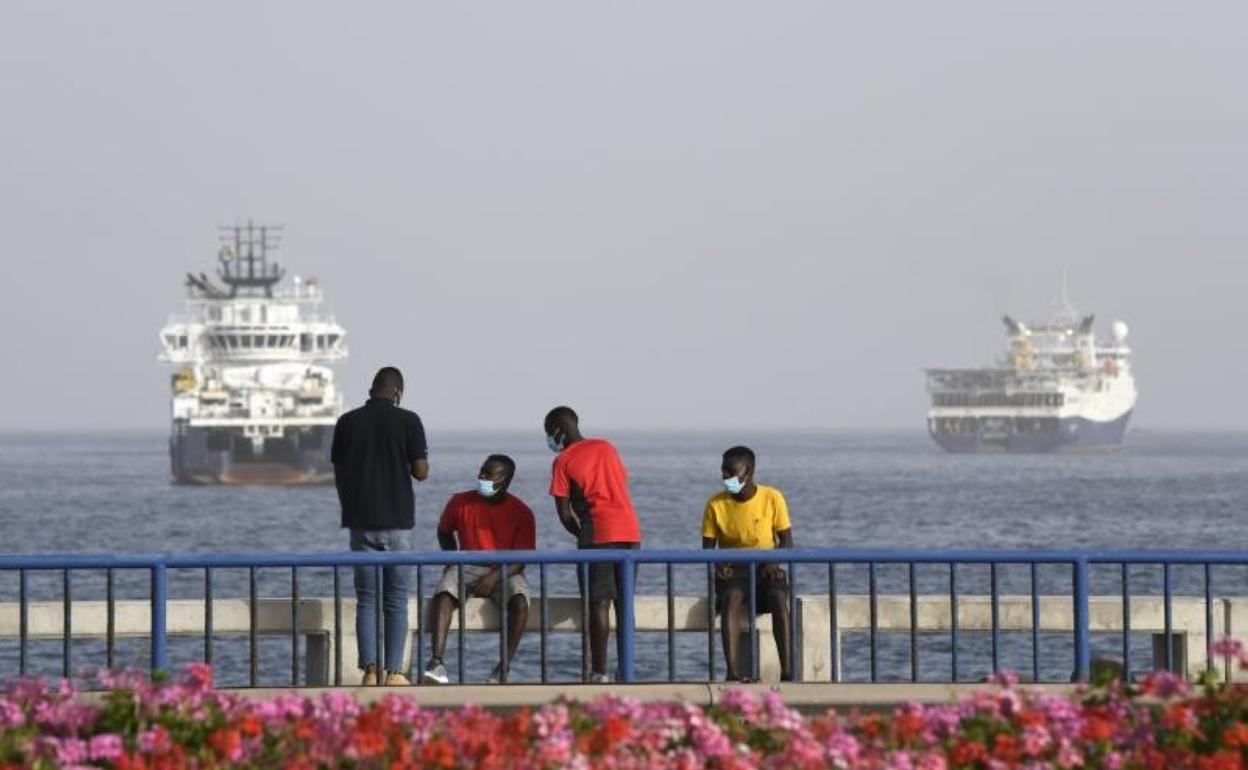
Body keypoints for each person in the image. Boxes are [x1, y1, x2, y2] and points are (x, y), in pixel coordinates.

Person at [331, 367, 428, 686]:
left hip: (360, 522)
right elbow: (421, 472)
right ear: (398, 392)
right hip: (398, 521)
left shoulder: (347, 422)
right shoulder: (409, 420)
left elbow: (339, 473)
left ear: (371, 389)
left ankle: (370, 671)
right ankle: (395, 672)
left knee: (367, 599)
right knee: (397, 599)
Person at [544, 406, 641, 683]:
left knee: (598, 604)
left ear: (557, 430)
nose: (549, 438)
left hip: (598, 534)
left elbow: (564, 513)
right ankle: (627, 669)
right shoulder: (607, 447)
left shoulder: (563, 460)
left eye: (548, 432)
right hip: (630, 531)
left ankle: (599, 672)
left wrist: (580, 535)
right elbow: (619, 483)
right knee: (624, 604)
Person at [422, 455, 536, 685]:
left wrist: (495, 576)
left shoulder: (521, 512)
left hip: (506, 569)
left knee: (521, 602)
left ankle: (503, 668)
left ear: (505, 480)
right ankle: (436, 663)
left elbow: (522, 559)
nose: (481, 477)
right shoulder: (459, 502)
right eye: (481, 472)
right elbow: (444, 531)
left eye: (488, 474)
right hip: (467, 564)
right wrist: (452, 559)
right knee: (444, 591)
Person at [701, 445, 794, 682]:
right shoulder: (715, 505)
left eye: (731, 472)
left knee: (779, 598)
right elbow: (708, 548)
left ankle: (787, 671)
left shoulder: (772, 498)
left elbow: (786, 541)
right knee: (731, 598)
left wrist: (775, 561)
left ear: (748, 472)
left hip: (766, 568)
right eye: (723, 471)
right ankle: (732, 672)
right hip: (733, 570)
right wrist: (718, 566)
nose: (725, 477)